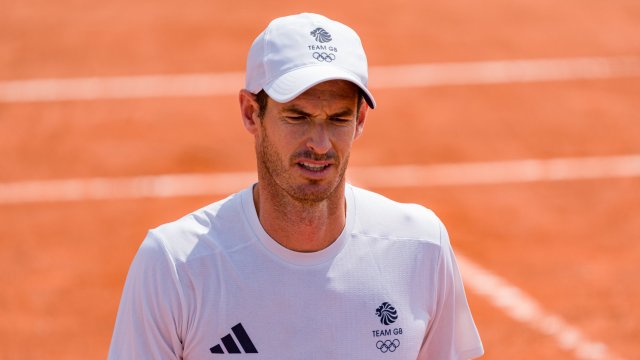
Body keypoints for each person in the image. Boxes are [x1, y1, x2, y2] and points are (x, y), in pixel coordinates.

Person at [108, 12, 484, 359]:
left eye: (338, 118)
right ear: (251, 113)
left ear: (360, 120)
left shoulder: (420, 247)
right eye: (297, 116)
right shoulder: (176, 266)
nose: (320, 144)